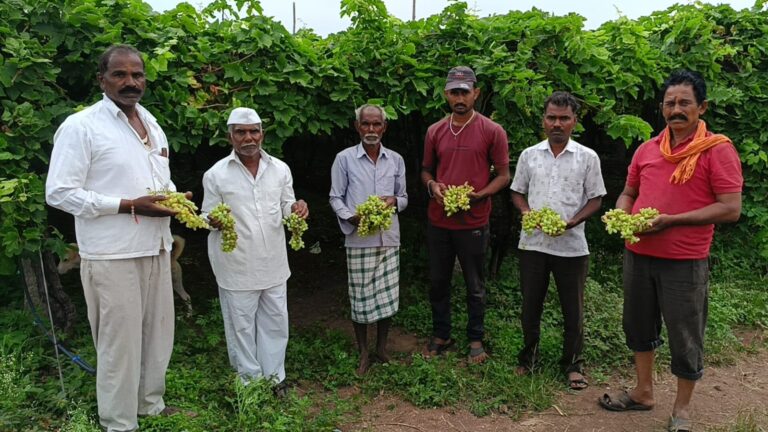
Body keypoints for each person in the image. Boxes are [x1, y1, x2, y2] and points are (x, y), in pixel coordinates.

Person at [46, 44, 188, 432]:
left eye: (137, 75)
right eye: (120, 75)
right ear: (102, 80)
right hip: (112, 254)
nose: (131, 82)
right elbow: (58, 192)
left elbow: (161, 179)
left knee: (158, 336)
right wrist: (127, 205)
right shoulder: (82, 126)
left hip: (157, 247)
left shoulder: (151, 122)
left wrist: (176, 200)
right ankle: (119, 423)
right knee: (119, 345)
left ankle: (150, 405)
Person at [598, 70, 742, 432]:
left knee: (685, 334)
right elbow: (629, 192)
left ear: (701, 107)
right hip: (639, 254)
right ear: (661, 108)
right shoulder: (648, 148)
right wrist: (622, 213)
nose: (676, 109)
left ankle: (682, 409)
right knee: (637, 325)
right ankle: (644, 392)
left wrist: (671, 220)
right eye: (670, 103)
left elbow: (730, 207)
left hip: (684, 261)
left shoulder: (717, 150)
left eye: (684, 103)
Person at [202, 107, 309, 393]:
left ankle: (275, 378)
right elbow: (205, 215)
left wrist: (296, 209)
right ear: (230, 137)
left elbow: (286, 206)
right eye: (241, 132)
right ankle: (250, 383)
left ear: (262, 133)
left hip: (273, 261)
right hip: (235, 263)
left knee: (275, 321)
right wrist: (212, 221)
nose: (248, 137)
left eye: (253, 131)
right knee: (241, 327)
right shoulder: (216, 175)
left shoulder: (280, 169)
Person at [510, 91, 606, 390]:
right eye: (552, 117)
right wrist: (526, 210)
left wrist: (574, 220)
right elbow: (517, 191)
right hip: (533, 243)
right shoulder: (529, 155)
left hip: (572, 246)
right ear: (544, 120)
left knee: (573, 309)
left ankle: (573, 364)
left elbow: (596, 198)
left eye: (564, 118)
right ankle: (528, 358)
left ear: (574, 122)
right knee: (530, 306)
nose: (557, 123)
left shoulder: (587, 157)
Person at [421, 66, 510, 363]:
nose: (460, 97)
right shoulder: (435, 131)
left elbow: (504, 175)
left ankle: (475, 337)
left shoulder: (492, 131)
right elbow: (425, 171)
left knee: (475, 284)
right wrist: (432, 185)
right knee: (438, 281)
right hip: (439, 220)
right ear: (446, 94)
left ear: (476, 93)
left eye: (465, 91)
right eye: (454, 92)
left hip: (474, 219)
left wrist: (482, 194)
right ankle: (442, 333)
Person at [329, 104, 408, 375]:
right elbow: (335, 197)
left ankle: (381, 349)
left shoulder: (395, 160)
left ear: (384, 128)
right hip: (359, 239)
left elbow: (404, 197)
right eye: (366, 124)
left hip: (388, 239)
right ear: (357, 127)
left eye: (377, 125)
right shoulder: (344, 159)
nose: (371, 130)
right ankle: (363, 352)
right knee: (360, 298)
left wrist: (394, 201)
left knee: (387, 298)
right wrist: (350, 217)